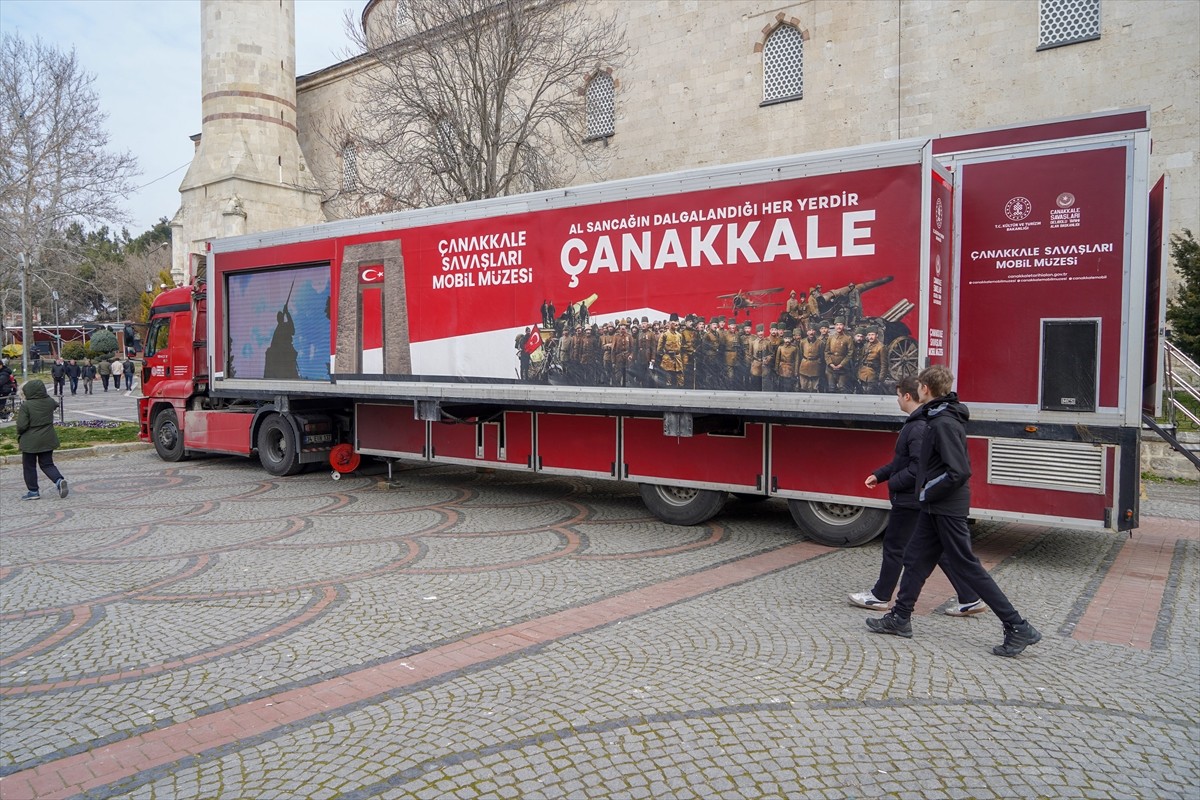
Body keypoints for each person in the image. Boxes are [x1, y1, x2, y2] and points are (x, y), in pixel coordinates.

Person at [866, 365, 1042, 657]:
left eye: (920, 385)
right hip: (934, 506)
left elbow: (958, 471)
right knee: (915, 559)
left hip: (946, 507)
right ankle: (900, 618)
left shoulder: (944, 422)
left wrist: (926, 491)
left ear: (925, 389)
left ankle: (1017, 626)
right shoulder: (936, 417)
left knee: (967, 566)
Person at [849, 375, 987, 617]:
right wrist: (880, 475)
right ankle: (970, 597)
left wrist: (893, 483)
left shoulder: (919, 426)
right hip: (917, 498)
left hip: (911, 499)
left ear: (908, 396)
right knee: (937, 550)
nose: (897, 401)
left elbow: (916, 468)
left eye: (898, 396)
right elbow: (903, 461)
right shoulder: (918, 423)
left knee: (895, 547)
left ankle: (880, 596)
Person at [16, 379, 69, 501]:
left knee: (29, 466)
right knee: (47, 464)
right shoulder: (49, 402)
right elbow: (55, 404)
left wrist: (19, 433)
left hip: (30, 440)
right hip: (48, 437)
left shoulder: (26, 406)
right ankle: (59, 480)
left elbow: (22, 425)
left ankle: (33, 491)